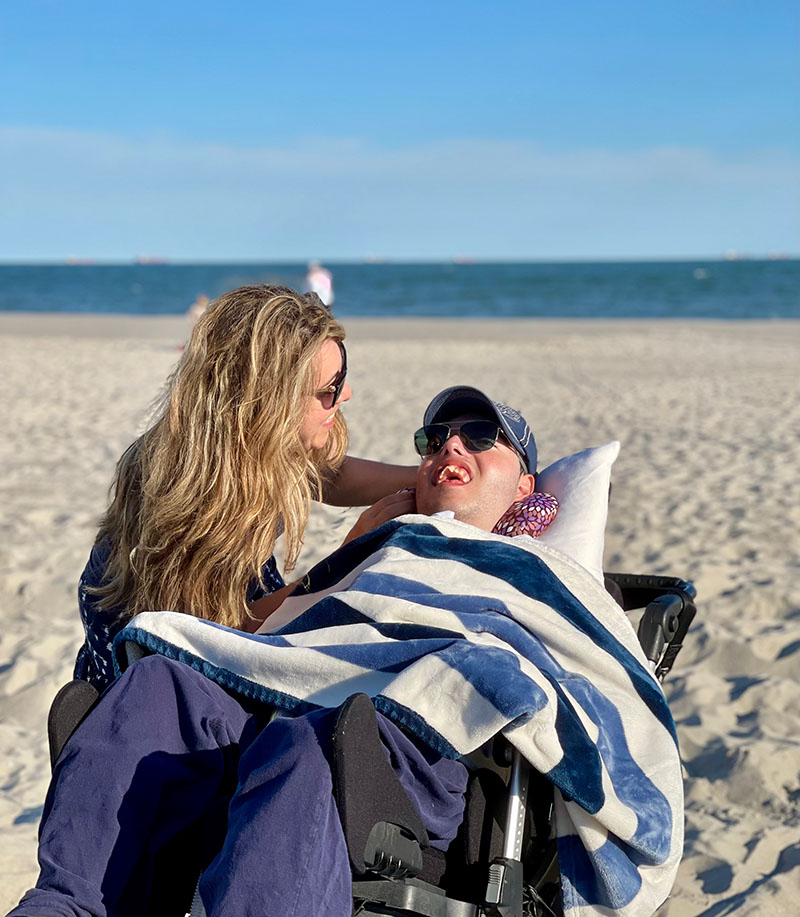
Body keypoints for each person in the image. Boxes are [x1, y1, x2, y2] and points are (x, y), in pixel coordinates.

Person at [11, 388, 681, 917]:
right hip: (301, 703)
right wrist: (360, 544)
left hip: (420, 738)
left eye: (481, 435)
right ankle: (68, 905)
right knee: (158, 686)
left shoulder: (539, 571)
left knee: (310, 747)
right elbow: (293, 636)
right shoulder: (386, 541)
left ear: (528, 488)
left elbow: (576, 672)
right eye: (434, 437)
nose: (451, 441)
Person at [75, 283, 417, 691]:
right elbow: (213, 638)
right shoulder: (196, 501)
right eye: (329, 389)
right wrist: (345, 561)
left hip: (225, 609)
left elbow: (326, 474)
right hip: (153, 668)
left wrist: (422, 480)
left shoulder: (250, 442)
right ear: (267, 403)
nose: (346, 394)